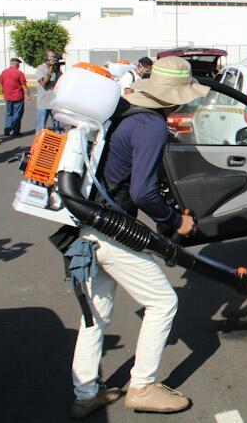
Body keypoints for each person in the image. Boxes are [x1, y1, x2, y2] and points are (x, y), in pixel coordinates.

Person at [69, 56, 206, 419]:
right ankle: (143, 387)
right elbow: (144, 192)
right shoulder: (151, 125)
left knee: (94, 315)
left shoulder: (126, 112)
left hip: (87, 225)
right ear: (175, 96)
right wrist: (175, 221)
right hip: (111, 230)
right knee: (163, 302)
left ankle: (85, 394)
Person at [0, 57, 31, 137]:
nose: (19, 65)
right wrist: (28, 95)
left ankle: (7, 130)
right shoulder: (19, 73)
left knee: (9, 113)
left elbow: (0, 84)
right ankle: (16, 131)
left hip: (8, 97)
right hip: (18, 96)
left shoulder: (4, 72)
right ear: (17, 64)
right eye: (19, 63)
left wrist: (3, 93)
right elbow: (24, 86)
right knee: (17, 114)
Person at [35, 50, 63, 133]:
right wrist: (50, 70)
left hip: (55, 103)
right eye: (52, 57)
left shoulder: (57, 69)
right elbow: (44, 84)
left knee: (58, 127)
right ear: (46, 58)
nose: (54, 59)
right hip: (44, 103)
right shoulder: (40, 69)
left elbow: (60, 82)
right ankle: (38, 143)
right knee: (41, 127)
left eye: (55, 57)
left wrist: (58, 70)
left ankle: (57, 144)